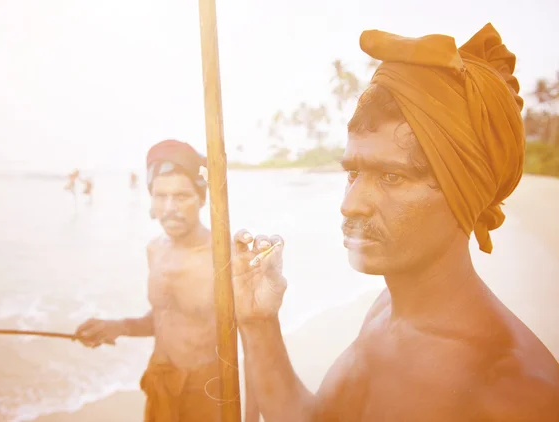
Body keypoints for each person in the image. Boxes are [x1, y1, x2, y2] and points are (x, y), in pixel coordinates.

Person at [232, 24, 559, 422]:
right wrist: (258, 321)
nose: (350, 205)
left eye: (392, 177)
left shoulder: (516, 394)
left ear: (464, 192)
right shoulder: (386, 311)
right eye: (352, 173)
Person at [75, 139, 258, 422]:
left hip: (208, 392)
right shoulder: (155, 249)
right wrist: (118, 327)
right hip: (161, 383)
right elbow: (165, 317)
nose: (169, 207)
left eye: (181, 196)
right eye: (160, 196)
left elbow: (253, 343)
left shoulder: (224, 257)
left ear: (200, 198)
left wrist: (251, 415)